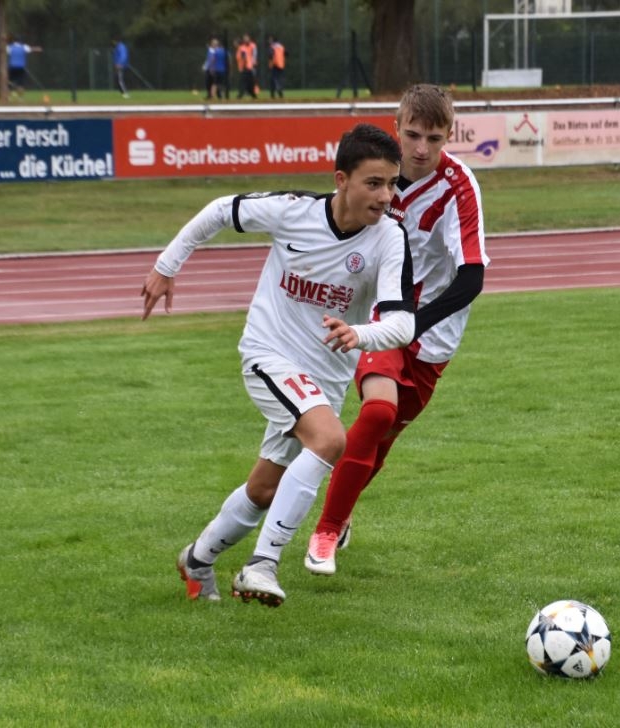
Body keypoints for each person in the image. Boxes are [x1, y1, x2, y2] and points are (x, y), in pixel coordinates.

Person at [140, 123, 415, 606]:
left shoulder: (390, 238)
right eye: (373, 183)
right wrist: (166, 266)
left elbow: (403, 324)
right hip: (269, 354)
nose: (385, 196)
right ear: (341, 180)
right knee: (330, 439)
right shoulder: (293, 212)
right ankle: (261, 565)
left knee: (264, 488)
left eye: (391, 184)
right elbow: (220, 210)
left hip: (324, 379)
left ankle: (197, 560)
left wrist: (361, 334)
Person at [305, 84, 490, 576]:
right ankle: (324, 533)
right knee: (377, 412)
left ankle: (341, 512)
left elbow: (472, 277)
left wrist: (413, 327)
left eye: (434, 138)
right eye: (412, 135)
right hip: (380, 315)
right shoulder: (375, 172)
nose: (421, 148)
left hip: (433, 334)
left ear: (449, 135)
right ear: (397, 129)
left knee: (382, 440)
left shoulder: (459, 187)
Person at [234, 33, 257, 99]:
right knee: (249, 82)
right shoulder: (241, 48)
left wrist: (245, 65)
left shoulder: (242, 48)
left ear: (238, 43)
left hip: (246, 67)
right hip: (246, 67)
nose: (234, 44)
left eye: (235, 43)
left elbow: (244, 57)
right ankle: (253, 94)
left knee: (243, 81)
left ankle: (241, 94)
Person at [267, 35, 286, 99]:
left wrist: (270, 63)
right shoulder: (281, 46)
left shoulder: (272, 47)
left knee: (273, 79)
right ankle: (277, 94)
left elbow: (270, 55)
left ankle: (276, 90)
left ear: (273, 40)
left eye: (270, 40)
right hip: (281, 65)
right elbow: (286, 53)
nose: (269, 41)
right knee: (278, 78)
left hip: (274, 64)